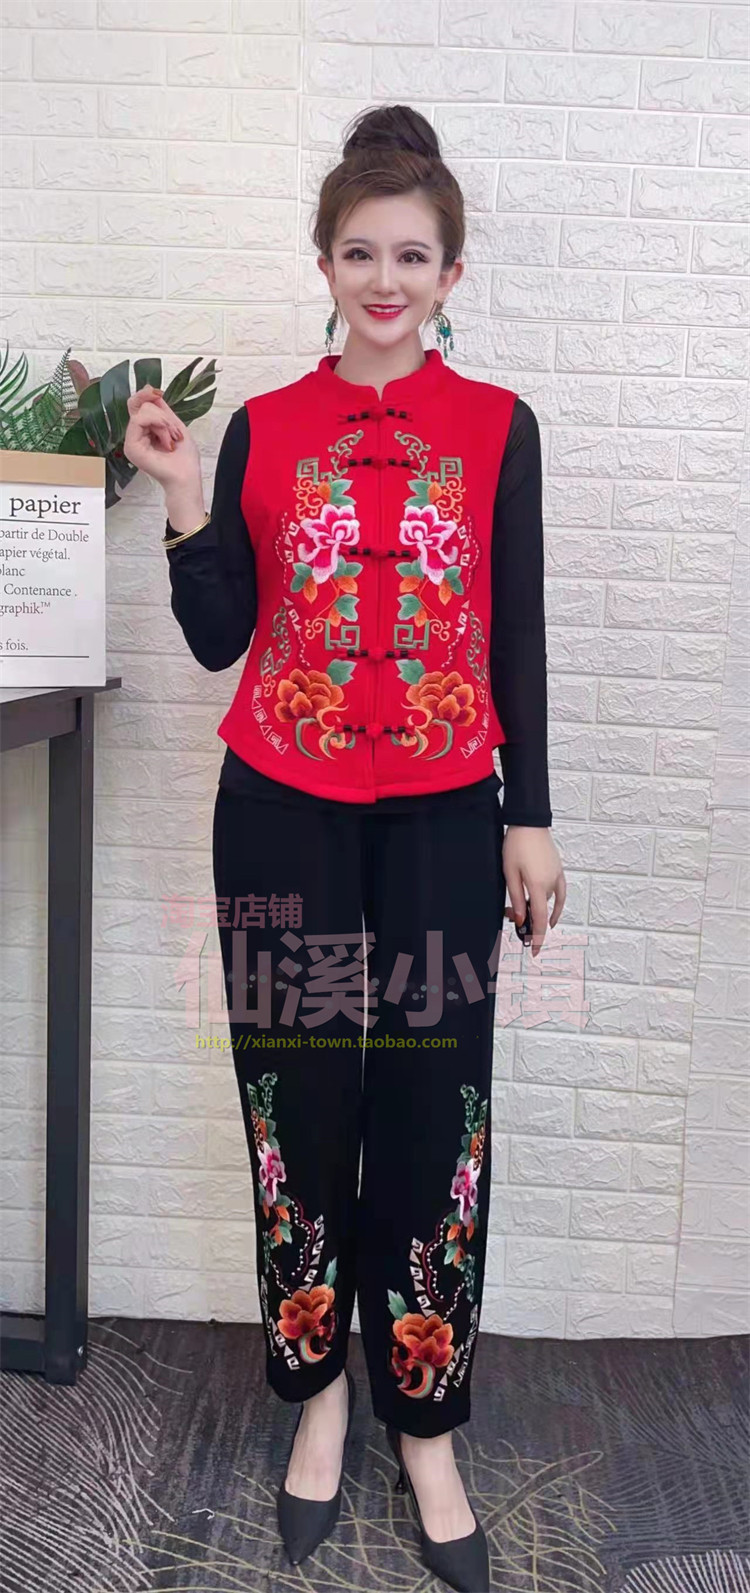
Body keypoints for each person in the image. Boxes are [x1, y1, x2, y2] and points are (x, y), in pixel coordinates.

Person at [124, 103, 566, 1593]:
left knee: (436, 1113)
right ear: (323, 262)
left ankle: (424, 1422)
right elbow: (220, 639)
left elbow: (515, 633)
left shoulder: (497, 427)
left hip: (445, 816)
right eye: (360, 252)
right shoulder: (266, 426)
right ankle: (315, 1397)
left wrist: (527, 814)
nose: (386, 279)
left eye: (412, 256)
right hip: (278, 806)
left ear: (450, 274)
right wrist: (185, 493)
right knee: (297, 1106)